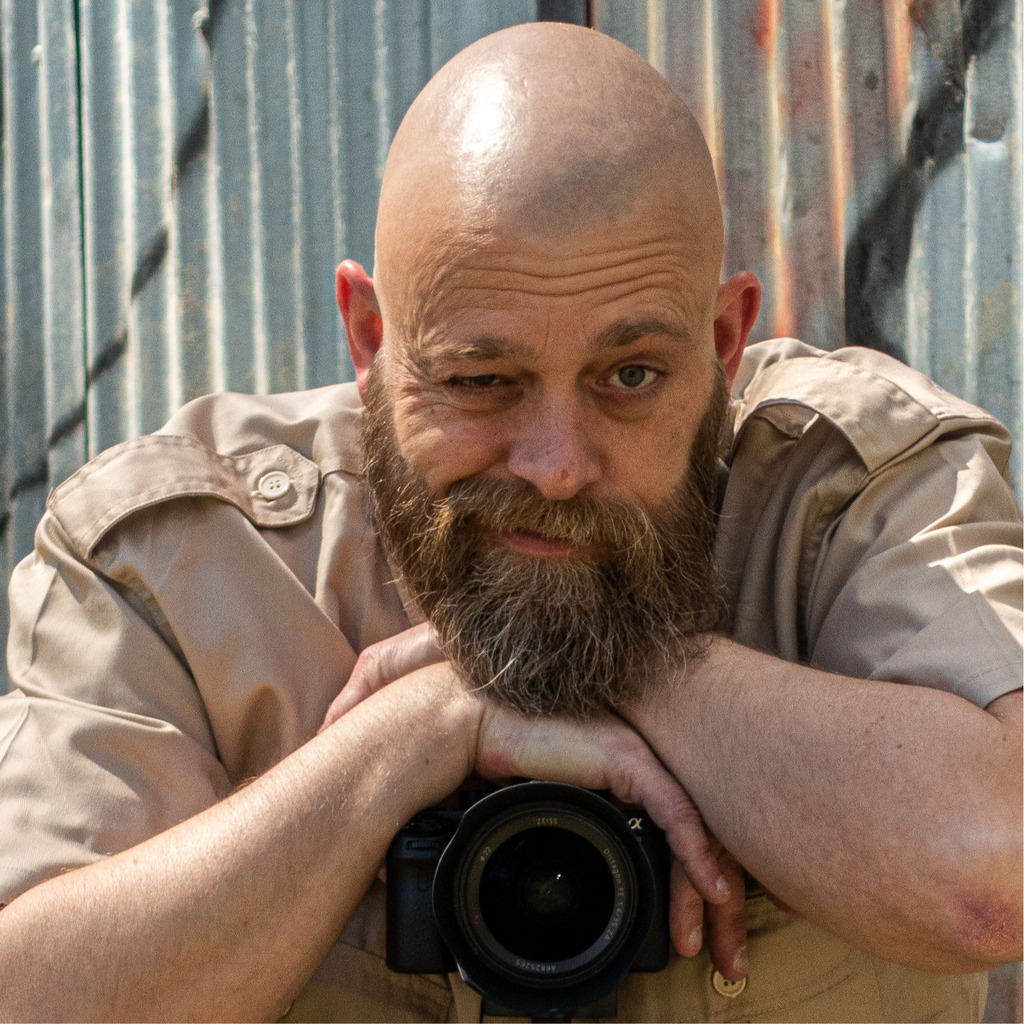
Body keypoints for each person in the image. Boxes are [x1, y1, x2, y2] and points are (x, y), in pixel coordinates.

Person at [0, 22, 1020, 1023]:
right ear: (371, 341)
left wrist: (636, 665)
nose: (558, 467)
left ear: (721, 345)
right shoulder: (180, 564)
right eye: (481, 380)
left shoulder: (851, 493)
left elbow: (997, 877)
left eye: (631, 376)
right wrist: (412, 734)